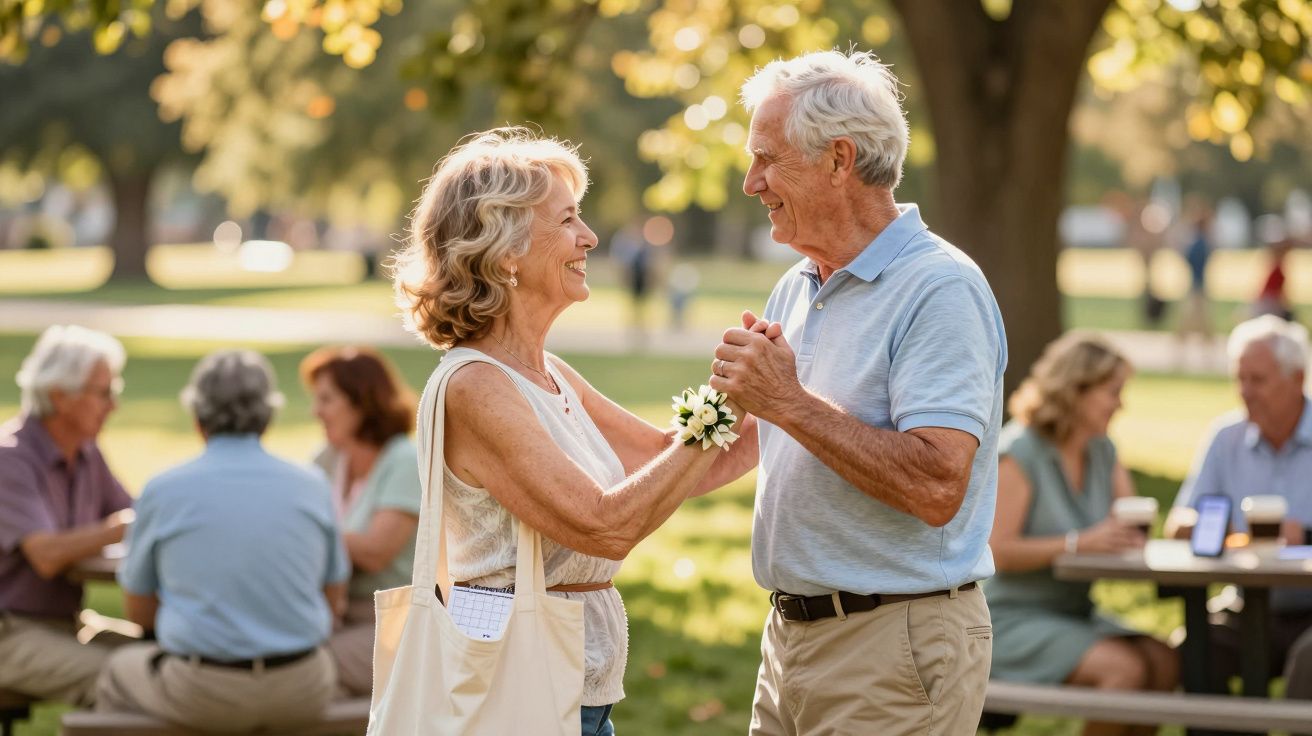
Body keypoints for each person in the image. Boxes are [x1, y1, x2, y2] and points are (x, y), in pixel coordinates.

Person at [391, 127, 757, 735]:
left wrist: (782, 398)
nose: (589, 237)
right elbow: (604, 526)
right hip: (516, 698)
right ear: (506, 249)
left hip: (571, 695)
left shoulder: (549, 373)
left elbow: (689, 465)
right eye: (567, 221)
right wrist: (727, 404)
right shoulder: (475, 387)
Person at [707, 50, 1007, 734]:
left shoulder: (941, 288)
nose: (752, 182)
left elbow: (937, 485)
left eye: (766, 159)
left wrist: (788, 401)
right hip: (788, 641)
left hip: (893, 646)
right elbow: (757, 442)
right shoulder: (799, 282)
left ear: (839, 160)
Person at [97, 350, 350, 732]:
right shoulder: (312, 485)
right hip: (303, 684)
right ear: (267, 416)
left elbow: (138, 611)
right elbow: (333, 596)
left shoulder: (164, 490)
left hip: (201, 687)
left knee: (116, 670)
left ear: (198, 417)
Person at [987, 332, 1177, 736]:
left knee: (1164, 661)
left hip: (1073, 613)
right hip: (1011, 620)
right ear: (1076, 390)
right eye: (1113, 391)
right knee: (1123, 670)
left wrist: (1126, 536)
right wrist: (1079, 544)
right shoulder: (1020, 452)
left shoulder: (1102, 450)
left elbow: (1128, 524)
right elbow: (998, 551)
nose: (1122, 403)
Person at [1165, 315, 1312, 693]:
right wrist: (1238, 532)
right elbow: (1179, 523)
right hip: (1244, 606)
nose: (1245, 391)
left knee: (1307, 662)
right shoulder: (1225, 437)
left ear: (1297, 379)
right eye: (1240, 378)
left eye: (1258, 380)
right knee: (1194, 649)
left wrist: (1304, 534)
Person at [0, 325, 134, 706]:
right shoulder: (9, 459)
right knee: (130, 681)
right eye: (104, 393)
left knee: (170, 662)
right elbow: (45, 556)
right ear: (60, 396)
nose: (114, 406)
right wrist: (115, 531)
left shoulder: (87, 452)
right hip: (10, 632)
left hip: (66, 623)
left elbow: (135, 510)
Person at [300, 345, 421, 697]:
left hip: (390, 622)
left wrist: (306, 531)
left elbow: (375, 552)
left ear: (362, 401)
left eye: (326, 400)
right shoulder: (328, 458)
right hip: (328, 611)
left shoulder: (404, 460)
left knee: (296, 671)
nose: (315, 411)